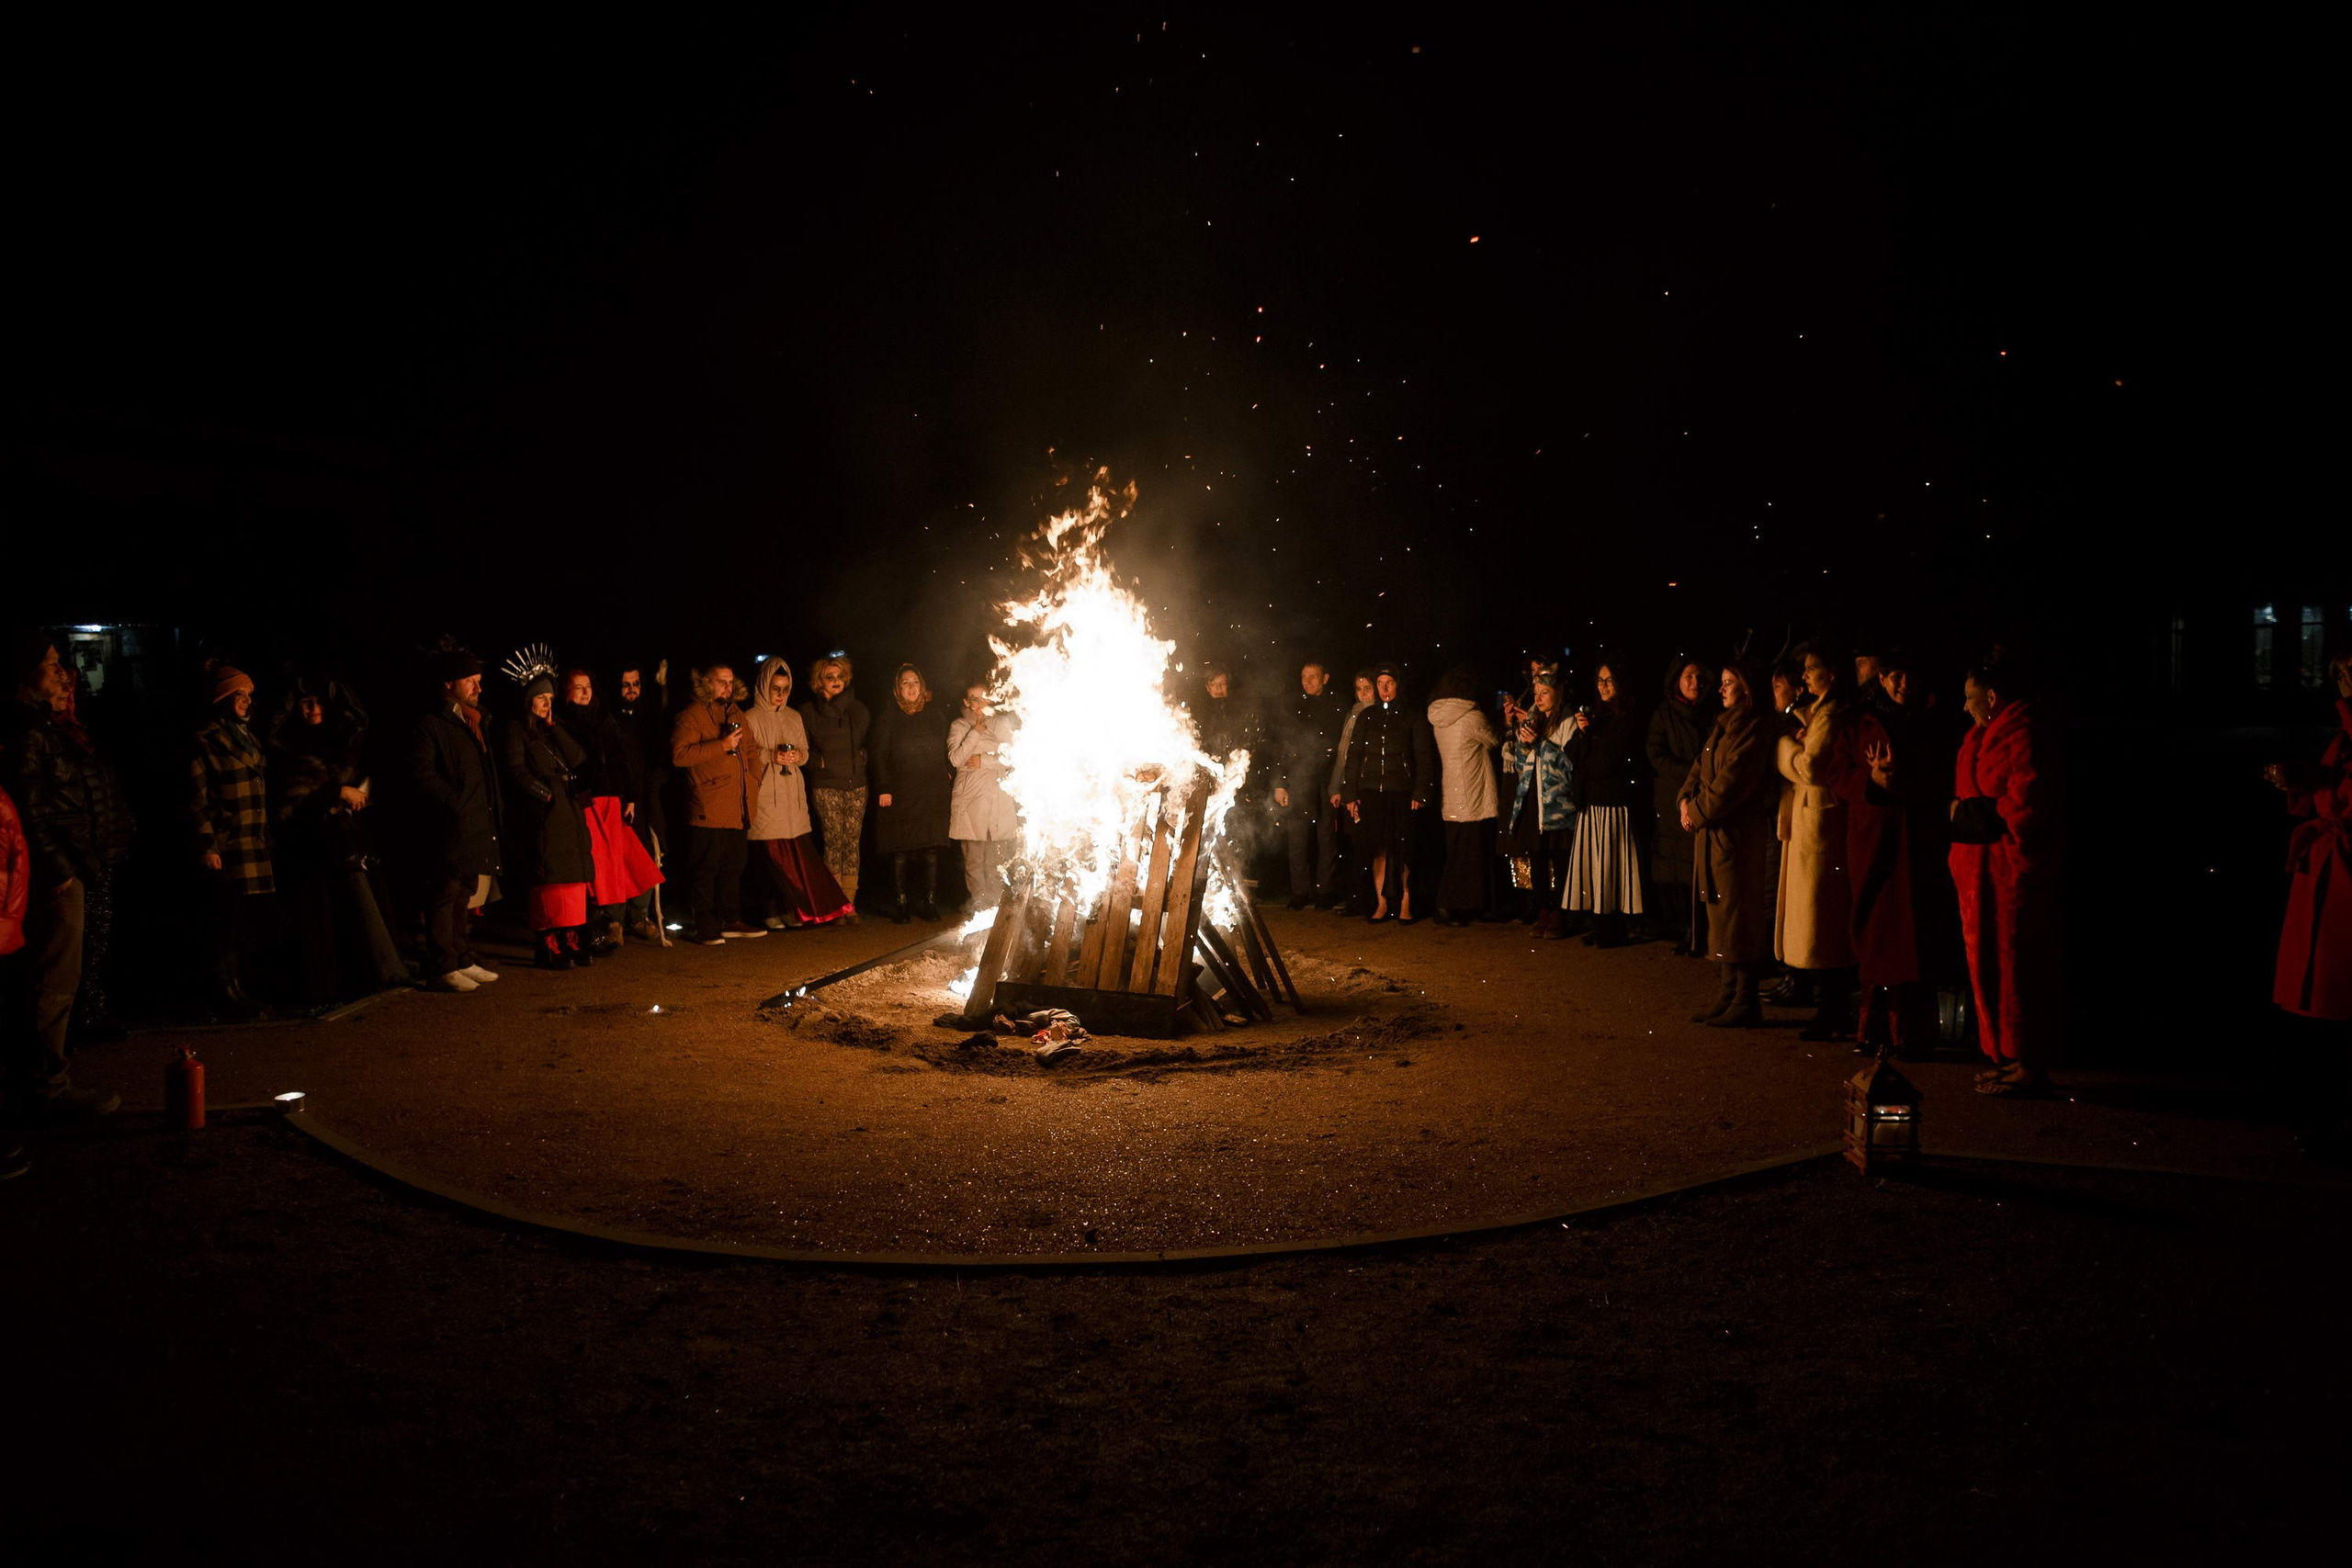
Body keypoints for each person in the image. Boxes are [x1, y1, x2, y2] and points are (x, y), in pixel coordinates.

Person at [0, 632, 121, 1125]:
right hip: (54, 877)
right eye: (50, 664)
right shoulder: (29, 733)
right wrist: (61, 871)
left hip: (65, 868)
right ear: (25, 677)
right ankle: (47, 1089)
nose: (62, 672)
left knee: (57, 980)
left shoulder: (45, 727)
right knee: (53, 981)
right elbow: (31, 808)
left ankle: (41, 1081)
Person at [1949, 651, 2064, 1096]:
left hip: (2009, 874)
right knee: (1994, 967)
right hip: (1982, 876)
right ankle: (2009, 1055)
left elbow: (2027, 805)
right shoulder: (1987, 732)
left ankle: (2029, 1063)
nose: (1965, 706)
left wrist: (1969, 814)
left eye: (1970, 697)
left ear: (1992, 696)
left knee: (2018, 967)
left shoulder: (2023, 733)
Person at [1841, 649, 1963, 1056]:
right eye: (1894, 675)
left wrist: (1907, 783)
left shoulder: (1934, 723)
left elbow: (1946, 776)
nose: (1901, 685)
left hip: (1919, 842)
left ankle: (1910, 1033)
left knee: (1916, 935)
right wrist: (1871, 781)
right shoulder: (1860, 720)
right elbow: (1836, 773)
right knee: (1876, 934)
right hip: (1874, 843)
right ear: (1882, 677)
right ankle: (1872, 1030)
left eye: (1908, 676)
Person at [269, 679, 405, 1002]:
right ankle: (325, 986)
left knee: (356, 908)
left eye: (319, 702)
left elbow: (356, 781)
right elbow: (288, 801)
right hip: (309, 847)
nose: (314, 709)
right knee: (320, 917)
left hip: (344, 840)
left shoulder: (340, 739)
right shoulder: (284, 746)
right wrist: (334, 794)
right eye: (306, 703)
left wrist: (356, 797)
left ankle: (362, 975)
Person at [1680, 660, 1778, 1028]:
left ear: (1747, 688)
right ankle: (1727, 992)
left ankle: (1745, 997)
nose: (1720, 689)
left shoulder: (1753, 728)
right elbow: (1699, 767)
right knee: (1720, 912)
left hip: (1736, 836)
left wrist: (1698, 812)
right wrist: (1685, 799)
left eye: (1728, 683)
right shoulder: (1723, 725)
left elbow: (1732, 781)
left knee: (1738, 914)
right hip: (1714, 834)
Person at [1772, 643, 1859, 1039]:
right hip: (1811, 823)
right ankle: (1828, 1006)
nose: (1804, 677)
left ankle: (1833, 1010)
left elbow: (1809, 765)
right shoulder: (1821, 711)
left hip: (1819, 825)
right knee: (1817, 917)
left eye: (1812, 668)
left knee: (1822, 919)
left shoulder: (1833, 712)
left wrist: (1786, 749)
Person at [406, 646, 504, 992]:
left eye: (479, 681)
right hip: (449, 823)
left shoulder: (472, 721)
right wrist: (455, 804)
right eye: (470, 681)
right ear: (448, 684)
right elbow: (421, 772)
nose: (479, 689)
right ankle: (441, 964)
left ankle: (462, 957)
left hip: (472, 820)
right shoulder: (432, 723)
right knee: (445, 891)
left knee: (464, 890)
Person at [499, 653, 598, 970]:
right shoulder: (516, 729)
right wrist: (544, 795)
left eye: (550, 698)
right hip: (546, 814)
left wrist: (554, 728)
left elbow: (578, 757)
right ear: (528, 700)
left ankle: (571, 935)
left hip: (567, 812)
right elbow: (515, 768)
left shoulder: (550, 730)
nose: (546, 704)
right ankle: (548, 942)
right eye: (541, 698)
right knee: (550, 878)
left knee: (571, 878)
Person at [189, 664, 277, 1017]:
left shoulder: (247, 736)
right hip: (229, 842)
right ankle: (224, 994)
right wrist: (207, 845)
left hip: (252, 839)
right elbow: (197, 798)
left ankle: (241, 988)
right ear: (223, 699)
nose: (245, 702)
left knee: (244, 921)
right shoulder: (205, 740)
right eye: (238, 695)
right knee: (225, 922)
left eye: (248, 695)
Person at [2268, 651, 2352, 1024]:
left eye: (2349, 676)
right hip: (2329, 861)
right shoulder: (2343, 734)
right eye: (2341, 678)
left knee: (2337, 976)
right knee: (2323, 979)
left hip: (2345, 865)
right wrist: (2304, 778)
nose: (2344, 685)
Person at [742, 657, 853, 930]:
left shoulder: (794, 716)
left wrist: (796, 755)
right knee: (771, 859)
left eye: (785, 689)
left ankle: (795, 909)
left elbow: (804, 752)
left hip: (792, 796)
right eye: (775, 688)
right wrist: (771, 755)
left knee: (797, 860)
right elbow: (745, 755)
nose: (780, 695)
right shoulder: (750, 717)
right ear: (763, 686)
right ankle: (770, 911)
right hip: (767, 795)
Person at [558, 667, 660, 952]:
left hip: (611, 800)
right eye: (578, 687)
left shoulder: (604, 720)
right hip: (586, 801)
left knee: (619, 860)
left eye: (587, 686)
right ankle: (602, 922)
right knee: (596, 862)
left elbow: (618, 760)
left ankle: (624, 919)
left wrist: (628, 796)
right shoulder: (563, 722)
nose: (585, 692)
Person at [671, 660, 767, 946]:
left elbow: (751, 750)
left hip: (737, 805)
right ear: (706, 684)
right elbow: (679, 755)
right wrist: (721, 746)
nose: (727, 686)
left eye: (730, 681)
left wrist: (753, 780)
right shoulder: (692, 716)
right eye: (720, 681)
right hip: (709, 805)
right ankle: (704, 925)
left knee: (733, 866)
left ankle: (730, 919)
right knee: (705, 868)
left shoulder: (736, 712)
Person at [1563, 661, 1646, 947]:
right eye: (1600, 680)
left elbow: (1614, 757)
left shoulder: (1628, 716)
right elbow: (1572, 750)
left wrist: (1592, 738)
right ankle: (1600, 923)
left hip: (1613, 801)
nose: (1604, 686)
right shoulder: (1595, 715)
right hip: (1593, 803)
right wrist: (1585, 732)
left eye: (1609, 680)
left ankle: (1614, 926)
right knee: (1597, 866)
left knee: (1612, 866)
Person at [1342, 663, 1433, 923]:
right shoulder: (1366, 717)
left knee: (1403, 850)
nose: (1384, 688)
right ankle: (1381, 904)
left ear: (1397, 685)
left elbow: (1423, 757)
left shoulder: (1412, 716)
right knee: (1378, 849)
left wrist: (1420, 790)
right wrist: (1350, 792)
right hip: (1371, 791)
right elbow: (1354, 756)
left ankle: (1405, 903)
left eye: (1389, 683)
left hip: (1402, 792)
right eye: (1380, 683)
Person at [872, 663, 954, 924]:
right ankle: (902, 902)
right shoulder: (889, 716)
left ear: (922, 686)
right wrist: (884, 787)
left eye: (915, 682)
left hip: (931, 791)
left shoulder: (935, 715)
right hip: (901, 791)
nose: (911, 687)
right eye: (905, 683)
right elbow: (878, 755)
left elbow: (946, 748)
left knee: (931, 849)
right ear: (898, 688)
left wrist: (948, 771)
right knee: (901, 850)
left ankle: (928, 902)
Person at [1645, 655, 1713, 956]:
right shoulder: (1664, 714)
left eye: (1699, 677)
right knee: (1677, 868)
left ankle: (1701, 931)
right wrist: (1689, 772)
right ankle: (1683, 926)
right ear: (1677, 680)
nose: (1694, 683)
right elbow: (1655, 753)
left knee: (1699, 867)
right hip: (1675, 794)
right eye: (1688, 677)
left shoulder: (1712, 713)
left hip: (1705, 795)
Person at [1502, 668, 1577, 937]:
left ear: (1557, 693)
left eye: (1545, 692)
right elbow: (1524, 764)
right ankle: (1543, 911)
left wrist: (1541, 744)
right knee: (1537, 858)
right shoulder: (1533, 718)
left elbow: (1568, 765)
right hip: (1533, 798)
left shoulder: (1567, 721)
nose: (1540, 697)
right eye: (1536, 693)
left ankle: (1560, 913)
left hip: (1557, 803)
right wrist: (1523, 744)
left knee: (1559, 859)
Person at [1427, 666, 1501, 925]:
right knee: (1470, 856)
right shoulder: (1472, 717)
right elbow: (1495, 740)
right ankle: (1453, 906)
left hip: (1451, 792)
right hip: (1472, 794)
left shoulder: (1438, 717)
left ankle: (1457, 905)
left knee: (1456, 853)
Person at [798, 655, 870, 924]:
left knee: (851, 844)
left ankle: (849, 903)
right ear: (819, 682)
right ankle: (834, 905)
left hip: (856, 784)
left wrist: (863, 757)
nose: (836, 681)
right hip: (827, 785)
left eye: (840, 676)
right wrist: (819, 762)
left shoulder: (859, 709)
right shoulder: (808, 712)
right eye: (830, 677)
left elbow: (870, 742)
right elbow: (802, 747)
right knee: (833, 843)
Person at [1273, 661, 1349, 909]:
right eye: (1304, 677)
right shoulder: (1293, 704)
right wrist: (1280, 783)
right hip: (1299, 778)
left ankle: (1325, 891)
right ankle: (1299, 892)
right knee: (1297, 837)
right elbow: (1283, 745)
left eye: (1313, 677)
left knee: (1327, 836)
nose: (1308, 682)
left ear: (1325, 678)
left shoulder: (1338, 704)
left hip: (1328, 779)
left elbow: (1344, 745)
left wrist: (1340, 783)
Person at [611, 661, 671, 943]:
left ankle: (639, 916)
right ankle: (614, 919)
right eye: (626, 684)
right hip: (619, 796)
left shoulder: (647, 717)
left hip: (645, 798)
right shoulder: (610, 718)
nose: (631, 690)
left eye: (636, 684)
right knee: (617, 858)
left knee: (645, 855)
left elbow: (661, 733)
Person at [949, 682, 1019, 913]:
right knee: (974, 860)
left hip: (997, 798)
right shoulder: (959, 726)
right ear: (967, 702)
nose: (980, 704)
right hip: (971, 801)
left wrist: (984, 760)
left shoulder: (1002, 724)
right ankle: (979, 907)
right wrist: (975, 734)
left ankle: (996, 908)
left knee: (995, 861)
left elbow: (1014, 757)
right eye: (974, 699)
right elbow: (957, 759)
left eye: (984, 699)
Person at [1326, 669, 1378, 915]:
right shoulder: (1353, 714)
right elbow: (1343, 754)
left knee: (1370, 844)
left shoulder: (1379, 714)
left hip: (1369, 788)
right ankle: (1357, 897)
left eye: (1367, 688)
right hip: (1350, 788)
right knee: (1354, 844)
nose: (1363, 693)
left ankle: (1373, 898)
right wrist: (1337, 787)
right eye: (1359, 689)